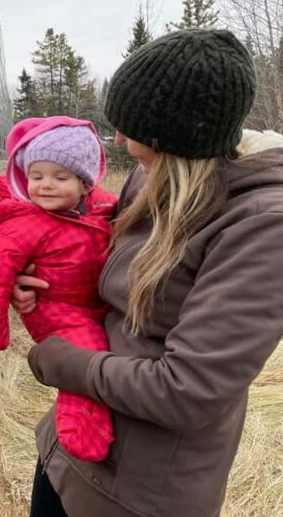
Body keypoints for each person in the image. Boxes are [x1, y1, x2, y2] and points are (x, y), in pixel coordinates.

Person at [15, 28, 283, 517]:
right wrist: (42, 275)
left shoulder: (263, 224)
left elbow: (188, 390)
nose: (117, 140)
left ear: (177, 138)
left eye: (132, 129)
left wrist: (57, 362)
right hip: (68, 446)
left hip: (136, 493)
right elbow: (102, 260)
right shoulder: (150, 175)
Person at [0, 116, 118, 462]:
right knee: (86, 357)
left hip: (96, 301)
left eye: (60, 177)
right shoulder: (25, 225)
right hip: (59, 311)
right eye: (36, 177)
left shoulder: (102, 208)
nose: (46, 185)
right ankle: (81, 436)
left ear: (85, 184)